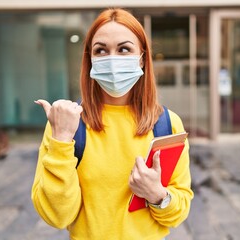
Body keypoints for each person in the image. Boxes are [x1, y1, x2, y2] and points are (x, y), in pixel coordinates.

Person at [31, 8, 193, 240]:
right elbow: (58, 216)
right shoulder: (67, 124)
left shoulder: (167, 123)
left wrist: (158, 195)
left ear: (143, 59)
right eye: (101, 50)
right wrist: (61, 140)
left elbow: (179, 212)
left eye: (124, 49)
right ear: (90, 60)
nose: (112, 59)